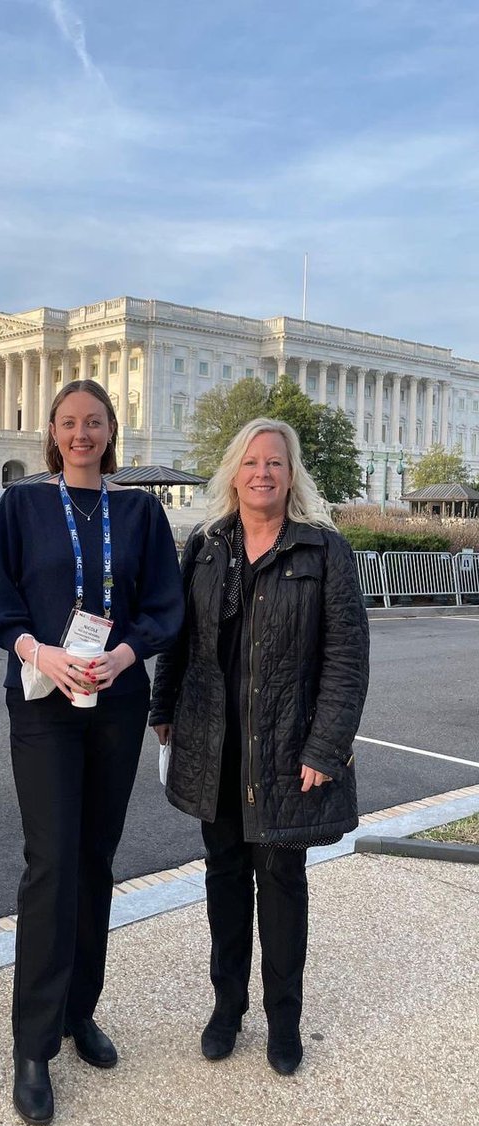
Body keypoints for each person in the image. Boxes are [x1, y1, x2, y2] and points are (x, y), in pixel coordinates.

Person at [0, 379, 183, 1125]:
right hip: (43, 698)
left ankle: (78, 1010)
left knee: (96, 857)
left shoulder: (138, 510)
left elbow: (164, 606)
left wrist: (125, 657)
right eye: (69, 422)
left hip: (115, 698)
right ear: (53, 433)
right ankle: (33, 1043)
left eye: (94, 422)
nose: (81, 433)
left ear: (111, 430)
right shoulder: (25, 504)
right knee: (52, 859)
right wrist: (41, 652)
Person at [149, 418, 369, 1076]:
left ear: (292, 475)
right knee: (222, 879)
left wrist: (324, 748)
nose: (263, 473)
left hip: (285, 749)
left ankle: (284, 1018)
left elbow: (346, 660)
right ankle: (227, 1007)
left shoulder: (323, 550)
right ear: (234, 473)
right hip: (215, 747)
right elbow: (181, 640)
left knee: (279, 880)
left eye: (276, 462)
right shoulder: (207, 545)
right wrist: (164, 708)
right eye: (252, 462)